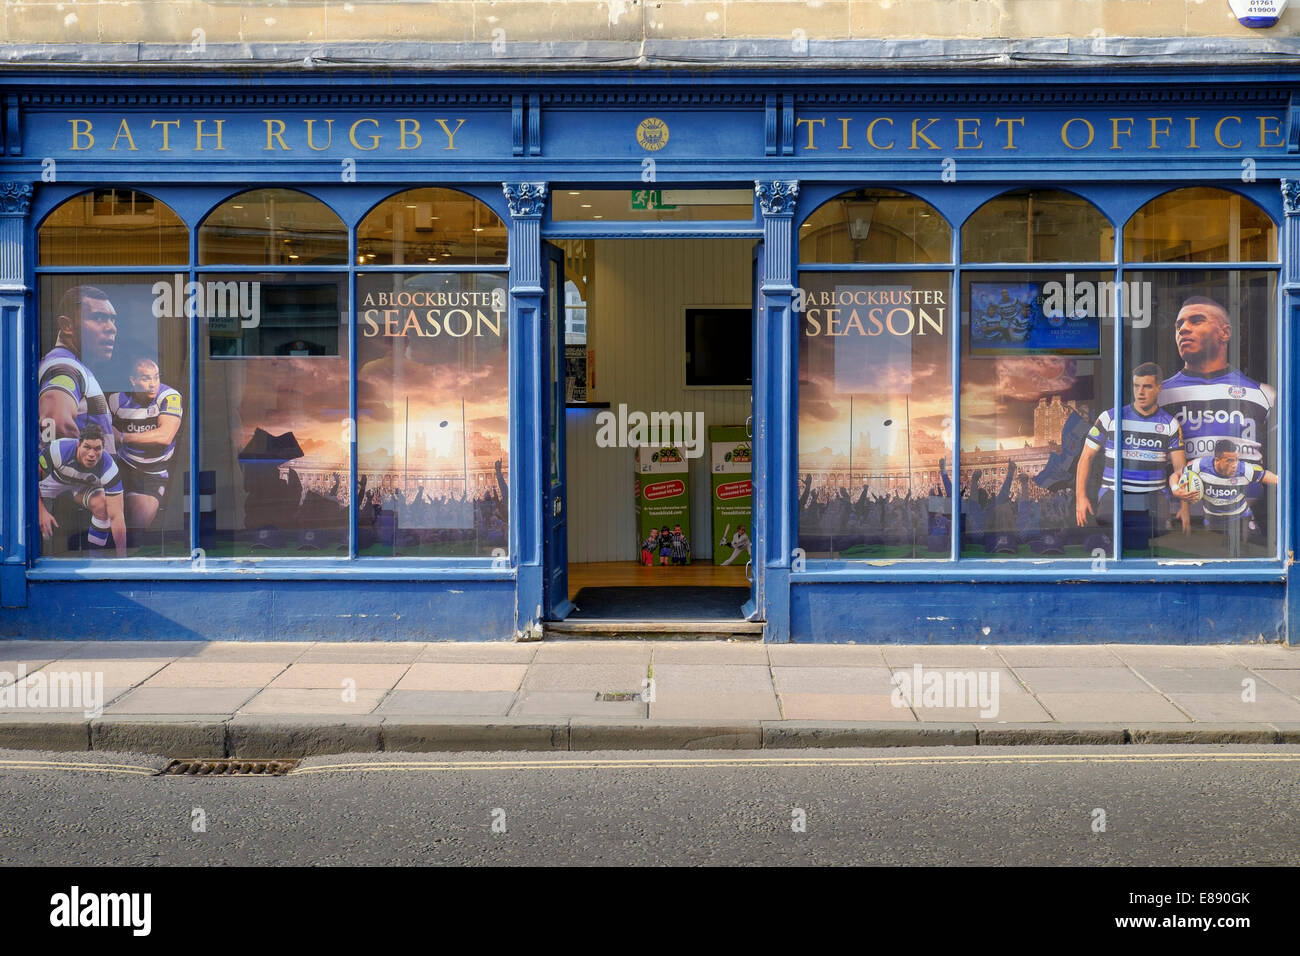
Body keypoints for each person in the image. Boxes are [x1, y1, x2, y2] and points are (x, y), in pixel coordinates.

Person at [1076, 362, 1195, 546]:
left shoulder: (1170, 425)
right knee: (1116, 541)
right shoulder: (1109, 418)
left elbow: (1180, 469)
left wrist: (1184, 506)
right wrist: (1080, 498)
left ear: (1158, 388)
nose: (1140, 392)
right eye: (1136, 386)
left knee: (1144, 545)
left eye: (1147, 386)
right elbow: (1086, 457)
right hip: (1113, 495)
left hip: (1153, 498)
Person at [1159, 296, 1274, 467]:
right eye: (1178, 325)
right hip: (1183, 493)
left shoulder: (1265, 395)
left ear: (1225, 333)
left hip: (1244, 493)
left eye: (1196, 321)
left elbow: (1285, 463)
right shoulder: (1159, 396)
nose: (1183, 329)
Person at [38, 285, 117, 454]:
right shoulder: (64, 367)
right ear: (67, 326)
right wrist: (90, 476)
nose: (111, 328)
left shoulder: (74, 365)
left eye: (113, 319)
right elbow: (57, 424)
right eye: (99, 318)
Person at [108, 357, 182, 528]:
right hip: (123, 467)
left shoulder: (169, 396)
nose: (153, 384)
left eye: (156, 377)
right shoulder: (115, 401)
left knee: (137, 524)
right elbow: (104, 435)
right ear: (132, 381)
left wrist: (122, 437)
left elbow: (165, 436)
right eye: (146, 378)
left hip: (154, 472)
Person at [36, 424, 127, 558]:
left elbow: (117, 517)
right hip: (54, 481)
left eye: (97, 449)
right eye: (87, 447)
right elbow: (30, 477)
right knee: (36, 513)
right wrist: (41, 510)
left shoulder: (109, 468)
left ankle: (96, 560)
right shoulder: (58, 450)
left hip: (81, 486)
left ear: (103, 449)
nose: (91, 454)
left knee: (103, 506)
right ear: (78, 445)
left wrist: (122, 559)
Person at [1186, 439, 1279, 556]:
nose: (1235, 464)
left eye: (1236, 460)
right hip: (1213, 523)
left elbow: (1269, 477)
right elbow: (1177, 475)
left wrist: (1284, 481)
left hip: (1240, 521)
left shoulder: (1244, 469)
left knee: (1252, 555)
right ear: (1217, 460)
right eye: (1230, 461)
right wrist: (1176, 489)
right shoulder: (1199, 466)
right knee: (1213, 560)